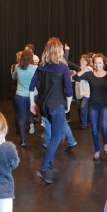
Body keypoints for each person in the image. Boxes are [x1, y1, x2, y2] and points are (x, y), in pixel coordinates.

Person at [30, 39, 73, 184]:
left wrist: (31, 103)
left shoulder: (41, 67)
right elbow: (68, 91)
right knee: (56, 138)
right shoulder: (63, 68)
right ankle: (42, 169)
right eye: (61, 49)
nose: (62, 51)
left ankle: (49, 162)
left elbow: (32, 86)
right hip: (57, 106)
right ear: (57, 51)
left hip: (44, 107)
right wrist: (68, 106)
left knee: (55, 136)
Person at [74, 53, 107, 160]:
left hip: (105, 105)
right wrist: (84, 70)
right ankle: (97, 151)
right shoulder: (89, 75)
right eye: (96, 63)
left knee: (104, 126)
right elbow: (75, 78)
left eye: (100, 63)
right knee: (94, 130)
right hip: (93, 105)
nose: (98, 65)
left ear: (103, 63)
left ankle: (106, 144)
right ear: (93, 64)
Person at [12, 49, 38, 147]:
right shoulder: (35, 68)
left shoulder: (17, 67)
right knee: (30, 113)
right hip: (33, 94)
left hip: (20, 96)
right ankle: (31, 122)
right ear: (31, 57)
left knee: (21, 118)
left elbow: (13, 78)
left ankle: (23, 140)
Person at [75, 54, 92, 129]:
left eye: (83, 60)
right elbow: (73, 79)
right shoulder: (77, 70)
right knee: (79, 108)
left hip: (86, 92)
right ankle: (87, 119)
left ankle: (83, 124)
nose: (81, 61)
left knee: (82, 107)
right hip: (78, 92)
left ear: (87, 61)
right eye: (81, 60)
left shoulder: (89, 70)